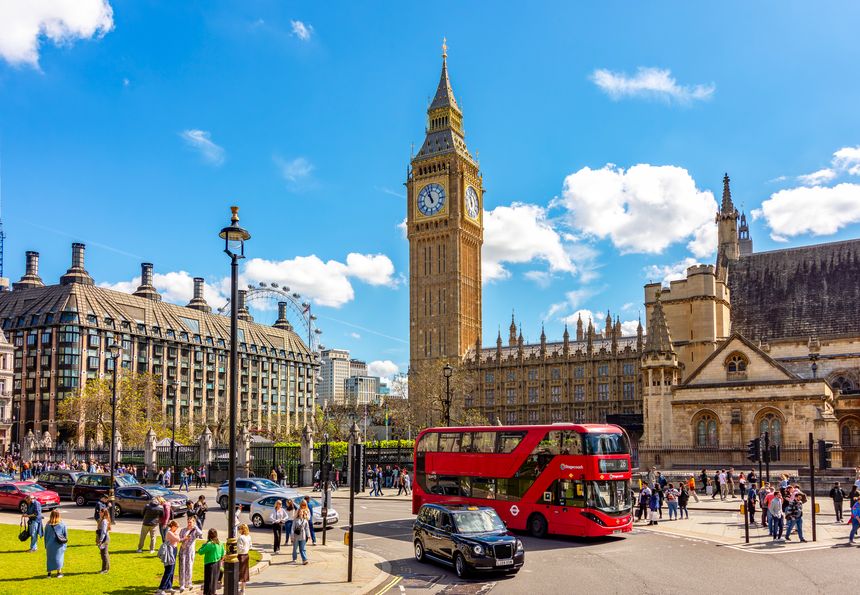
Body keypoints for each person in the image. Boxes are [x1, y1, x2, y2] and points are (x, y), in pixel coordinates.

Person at [178, 515, 203, 592]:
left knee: (189, 566)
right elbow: (179, 540)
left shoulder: (195, 531)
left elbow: (200, 534)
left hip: (190, 551)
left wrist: (195, 527)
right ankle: (182, 584)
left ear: (193, 522)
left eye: (191, 522)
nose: (189, 523)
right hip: (183, 550)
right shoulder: (183, 530)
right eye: (188, 522)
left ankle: (189, 582)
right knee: (182, 567)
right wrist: (184, 539)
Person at [156, 520, 180, 595]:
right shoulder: (169, 533)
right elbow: (178, 539)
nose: (177, 528)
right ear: (172, 526)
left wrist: (176, 534)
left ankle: (169, 587)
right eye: (176, 527)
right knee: (168, 570)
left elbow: (177, 538)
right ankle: (161, 588)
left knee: (172, 570)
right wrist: (177, 535)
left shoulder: (173, 532)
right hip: (170, 552)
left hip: (174, 550)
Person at [198, 529, 225, 595]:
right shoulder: (220, 543)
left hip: (210, 564)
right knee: (215, 580)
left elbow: (200, 552)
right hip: (218, 563)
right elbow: (222, 554)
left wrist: (204, 544)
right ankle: (214, 592)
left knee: (208, 580)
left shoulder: (209, 544)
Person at [44, 510, 67, 578]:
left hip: (49, 545)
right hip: (59, 544)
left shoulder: (48, 525)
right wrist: (65, 545)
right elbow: (65, 535)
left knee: (50, 559)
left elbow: (45, 536)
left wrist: (46, 545)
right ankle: (59, 573)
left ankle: (49, 574)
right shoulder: (62, 524)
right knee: (59, 558)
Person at [237, 523, 252, 593]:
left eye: (239, 529)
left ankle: (237, 589)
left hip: (241, 556)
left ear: (242, 530)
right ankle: (243, 589)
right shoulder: (248, 536)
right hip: (246, 555)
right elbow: (250, 546)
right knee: (245, 573)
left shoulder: (241, 538)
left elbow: (239, 548)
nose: (238, 530)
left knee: (239, 572)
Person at [97, 506, 111, 574]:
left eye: (101, 512)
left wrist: (101, 540)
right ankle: (104, 568)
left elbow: (104, 531)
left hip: (104, 538)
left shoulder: (104, 521)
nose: (99, 513)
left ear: (103, 513)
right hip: (104, 538)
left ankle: (105, 569)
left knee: (104, 554)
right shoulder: (102, 519)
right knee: (103, 554)